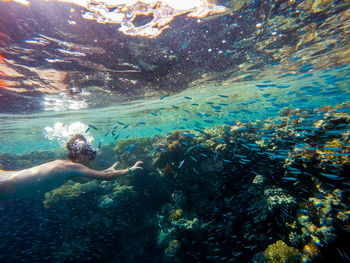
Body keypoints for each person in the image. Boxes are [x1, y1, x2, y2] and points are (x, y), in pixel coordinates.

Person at [0, 134, 143, 199]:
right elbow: (107, 177)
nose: (90, 160)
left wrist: (104, 172)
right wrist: (130, 169)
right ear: (80, 154)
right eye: (89, 155)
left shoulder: (66, 167)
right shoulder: (71, 168)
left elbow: (85, 180)